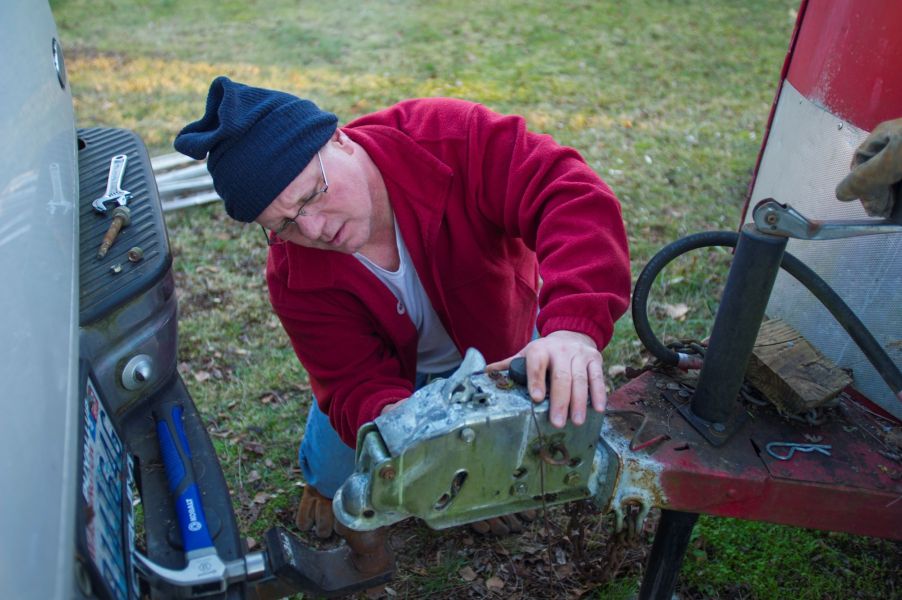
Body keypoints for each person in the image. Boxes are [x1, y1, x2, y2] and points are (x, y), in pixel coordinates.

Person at [173, 77, 631, 562]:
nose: (315, 229)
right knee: (339, 471)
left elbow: (569, 194)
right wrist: (406, 430)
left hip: (506, 348)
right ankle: (321, 480)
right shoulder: (291, 270)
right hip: (391, 377)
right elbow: (351, 381)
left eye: (312, 196)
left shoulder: (448, 137)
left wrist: (571, 327)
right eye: (284, 224)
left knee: (535, 446)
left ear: (339, 139)